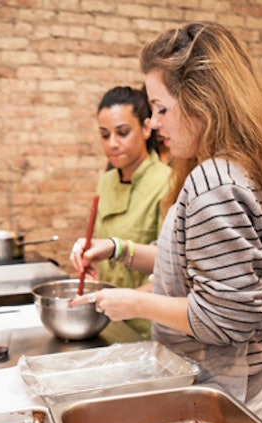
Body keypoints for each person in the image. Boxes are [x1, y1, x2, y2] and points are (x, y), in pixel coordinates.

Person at [70, 22, 262, 423]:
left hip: (234, 398)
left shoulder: (212, 182)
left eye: (161, 108)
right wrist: (117, 249)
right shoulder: (227, 168)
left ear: (203, 101)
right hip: (243, 388)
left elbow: (224, 318)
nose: (155, 123)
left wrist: (135, 303)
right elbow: (186, 259)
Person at [73, 85, 171, 338]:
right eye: (105, 135)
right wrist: (90, 258)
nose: (113, 144)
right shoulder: (106, 182)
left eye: (123, 133)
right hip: (105, 323)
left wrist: (124, 299)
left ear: (147, 128)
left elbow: (171, 274)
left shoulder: (169, 183)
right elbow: (102, 246)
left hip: (146, 328)